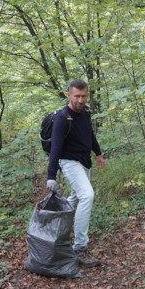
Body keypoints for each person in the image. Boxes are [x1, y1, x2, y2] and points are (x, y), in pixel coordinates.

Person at [46, 80, 106, 267]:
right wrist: (51, 175)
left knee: (75, 198)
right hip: (69, 162)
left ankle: (55, 232)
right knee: (87, 195)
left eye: (84, 96)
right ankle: (80, 247)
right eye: (77, 96)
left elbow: (90, 135)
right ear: (68, 95)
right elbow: (56, 149)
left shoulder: (85, 112)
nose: (81, 100)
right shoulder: (63, 118)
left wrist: (98, 153)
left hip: (84, 160)